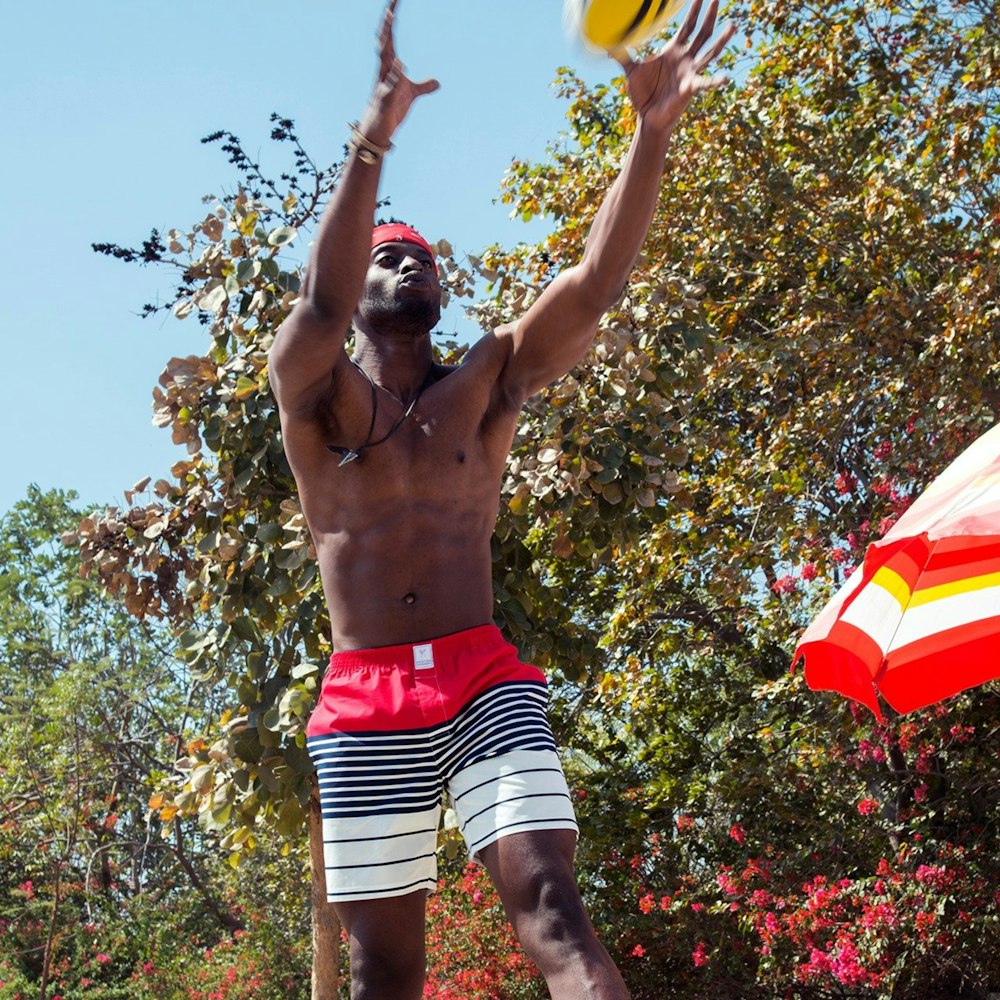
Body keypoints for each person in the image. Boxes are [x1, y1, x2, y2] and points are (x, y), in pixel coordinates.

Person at [269, 2, 733, 997]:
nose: (407, 264)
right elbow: (314, 304)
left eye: (423, 259)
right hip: (363, 699)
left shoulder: (486, 381)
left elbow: (596, 280)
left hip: (484, 677)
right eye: (389, 255)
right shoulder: (313, 388)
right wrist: (372, 139)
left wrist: (648, 139)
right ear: (359, 285)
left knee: (554, 909)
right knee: (379, 971)